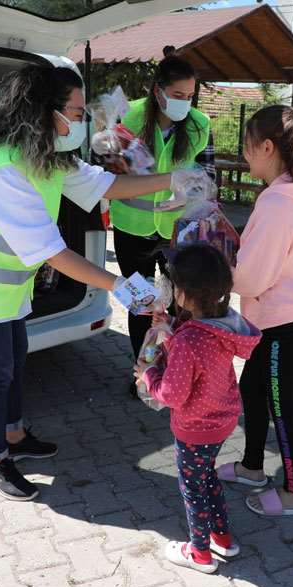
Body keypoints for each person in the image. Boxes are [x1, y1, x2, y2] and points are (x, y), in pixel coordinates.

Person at [0, 65, 195, 502]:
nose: (83, 122)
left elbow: (107, 184)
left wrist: (174, 178)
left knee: (16, 357)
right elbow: (55, 254)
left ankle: (14, 434)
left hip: (4, 281)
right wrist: (127, 289)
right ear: (43, 111)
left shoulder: (44, 156)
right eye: (77, 112)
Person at [217, 106, 293, 517]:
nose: (244, 155)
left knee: (282, 407)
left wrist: (222, 264)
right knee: (253, 390)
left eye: (246, 147)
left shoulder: (278, 203)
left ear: (266, 146)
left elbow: (251, 280)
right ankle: (251, 467)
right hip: (279, 316)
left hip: (284, 322)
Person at [135, 244, 260, 573]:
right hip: (222, 419)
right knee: (207, 478)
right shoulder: (220, 325)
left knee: (193, 486)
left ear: (183, 293)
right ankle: (222, 537)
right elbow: (194, 345)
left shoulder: (190, 339)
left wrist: (149, 375)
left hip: (195, 427)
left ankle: (200, 552)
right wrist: (170, 328)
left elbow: (173, 395)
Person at [110, 49, 214, 397]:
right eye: (177, 95)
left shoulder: (200, 124)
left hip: (177, 228)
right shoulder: (130, 117)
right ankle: (143, 373)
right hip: (132, 227)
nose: (184, 103)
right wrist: (110, 153)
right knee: (140, 302)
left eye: (189, 96)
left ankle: (174, 373)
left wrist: (193, 192)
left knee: (178, 304)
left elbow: (208, 173)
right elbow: (110, 170)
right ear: (158, 91)